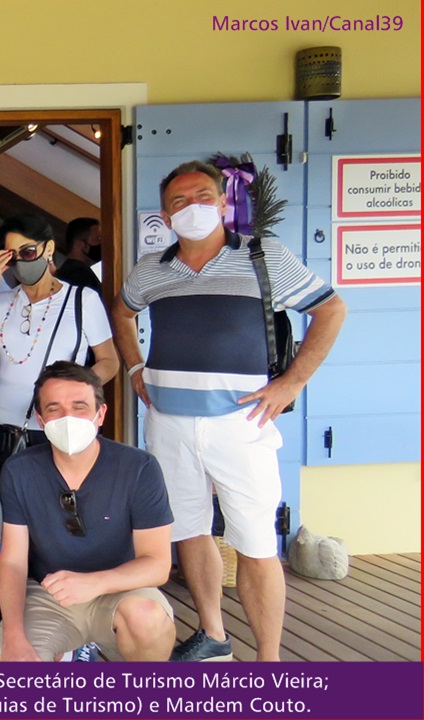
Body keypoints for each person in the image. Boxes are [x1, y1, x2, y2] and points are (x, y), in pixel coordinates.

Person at [112, 160, 346, 663]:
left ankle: (268, 661)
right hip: (168, 424)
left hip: (243, 423)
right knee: (189, 530)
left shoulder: (264, 257)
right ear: (166, 215)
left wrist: (292, 382)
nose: (191, 207)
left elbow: (330, 309)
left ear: (222, 203)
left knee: (257, 542)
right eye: (178, 201)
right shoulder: (151, 269)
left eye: (202, 196)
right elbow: (122, 311)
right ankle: (213, 634)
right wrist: (134, 367)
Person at [0, 361, 175, 661]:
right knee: (11, 667)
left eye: (80, 407)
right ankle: (69, 654)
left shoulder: (139, 468)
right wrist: (13, 635)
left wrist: (95, 583)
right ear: (41, 419)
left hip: (120, 590)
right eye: (54, 409)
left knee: (147, 618)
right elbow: (13, 562)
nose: (68, 418)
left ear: (100, 414)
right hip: (48, 596)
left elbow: (157, 565)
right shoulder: (19, 471)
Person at [0, 213, 118, 477]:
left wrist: (73, 390)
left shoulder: (82, 300)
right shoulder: (1, 301)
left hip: (61, 425)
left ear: (49, 248)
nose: (22, 262)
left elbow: (109, 361)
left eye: (28, 252)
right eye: (12, 256)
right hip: (3, 427)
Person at [54, 217, 103, 295]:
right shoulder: (81, 275)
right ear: (81, 244)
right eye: (99, 239)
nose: (102, 243)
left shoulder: (64, 272)